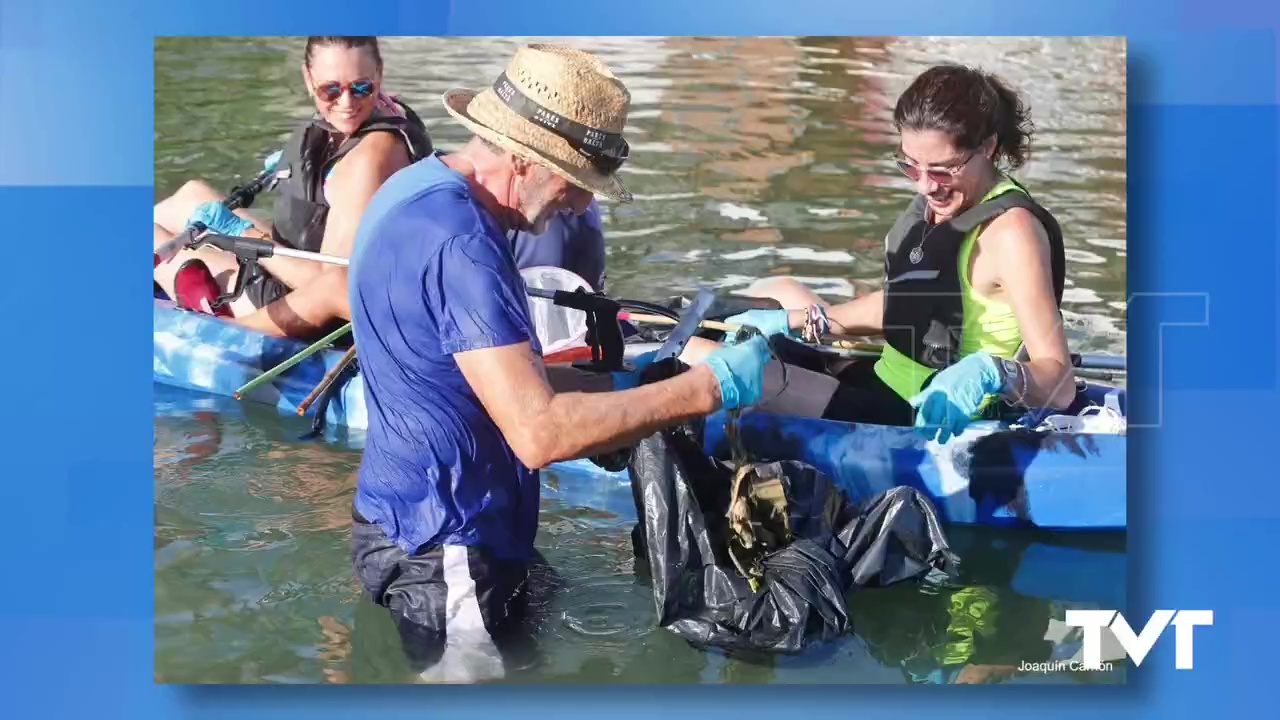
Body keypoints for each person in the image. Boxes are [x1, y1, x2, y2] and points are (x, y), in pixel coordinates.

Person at [345, 44, 774, 681]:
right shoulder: (467, 249)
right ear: (522, 157)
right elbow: (539, 432)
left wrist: (632, 383)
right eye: (575, 183)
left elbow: (479, 377)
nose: (578, 206)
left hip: (398, 515)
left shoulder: (413, 187)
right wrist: (705, 390)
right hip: (451, 546)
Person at [704, 64, 1076, 442]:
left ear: (988, 147)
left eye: (943, 170)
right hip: (884, 376)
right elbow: (915, 298)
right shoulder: (949, 199)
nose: (926, 186)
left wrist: (993, 372)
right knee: (780, 291)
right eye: (912, 167)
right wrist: (806, 319)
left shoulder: (1012, 234)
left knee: (710, 361)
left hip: (923, 415)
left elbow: (1060, 382)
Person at [153, 36, 433, 339]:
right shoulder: (385, 109)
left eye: (362, 87)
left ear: (379, 73)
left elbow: (331, 287)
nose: (347, 103)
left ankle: (197, 299)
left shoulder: (368, 162)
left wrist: (243, 233)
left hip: (298, 308)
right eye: (331, 89)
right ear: (308, 77)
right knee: (191, 194)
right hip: (294, 267)